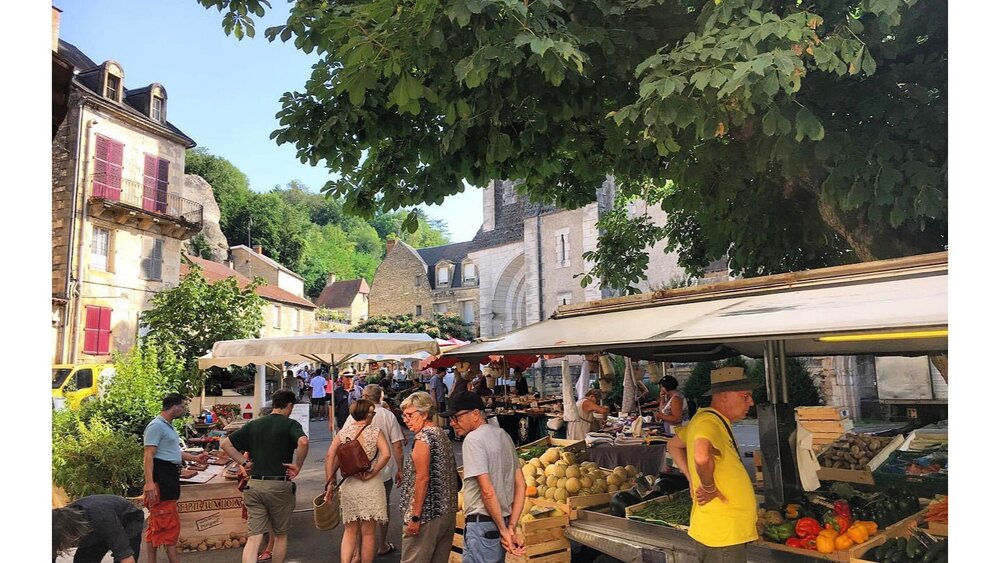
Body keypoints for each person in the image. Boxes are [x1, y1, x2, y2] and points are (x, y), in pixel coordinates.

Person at [667, 367, 759, 563]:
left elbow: (673, 445)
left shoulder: (711, 420)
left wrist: (692, 479)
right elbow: (701, 456)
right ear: (724, 396)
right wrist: (707, 487)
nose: (751, 402)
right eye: (745, 396)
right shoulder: (709, 422)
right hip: (722, 534)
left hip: (721, 532)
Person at [220, 389, 309, 563]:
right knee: (280, 535)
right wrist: (298, 465)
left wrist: (244, 463)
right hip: (278, 485)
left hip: (254, 485)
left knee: (254, 538)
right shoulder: (290, 424)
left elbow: (225, 444)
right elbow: (303, 442)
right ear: (289, 405)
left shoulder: (254, 424)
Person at [441, 391, 526, 562]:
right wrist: (510, 526)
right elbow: (521, 485)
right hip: (501, 520)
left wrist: (504, 530)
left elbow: (487, 491)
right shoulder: (503, 435)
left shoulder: (473, 440)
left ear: (474, 414)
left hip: (482, 526)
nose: (452, 423)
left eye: (456, 417)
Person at [142, 393, 209, 563]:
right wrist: (150, 483)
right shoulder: (156, 426)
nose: (185, 409)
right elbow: (148, 455)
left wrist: (195, 458)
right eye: (183, 406)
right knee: (166, 523)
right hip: (162, 477)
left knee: (159, 523)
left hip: (169, 475)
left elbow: (172, 453)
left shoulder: (167, 426)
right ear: (174, 406)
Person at [341, 385, 405, 558]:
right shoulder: (388, 415)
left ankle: (356, 552)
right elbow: (397, 445)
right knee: (380, 509)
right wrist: (400, 468)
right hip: (382, 473)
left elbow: (343, 441)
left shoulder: (353, 416)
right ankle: (382, 543)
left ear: (367, 396)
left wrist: (331, 478)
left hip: (355, 472)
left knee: (356, 515)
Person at [325, 399, 392, 563]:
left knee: (349, 530)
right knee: (369, 532)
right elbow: (386, 454)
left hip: (350, 483)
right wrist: (373, 471)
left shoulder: (342, 433)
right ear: (368, 414)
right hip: (371, 484)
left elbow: (330, 456)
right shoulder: (375, 432)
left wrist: (330, 480)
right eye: (372, 413)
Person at [398, 391, 459, 563]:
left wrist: (415, 516)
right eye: (404, 415)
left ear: (424, 414)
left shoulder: (423, 439)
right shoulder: (440, 434)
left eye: (410, 415)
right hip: (446, 512)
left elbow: (423, 479)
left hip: (427, 515)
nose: (405, 419)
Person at [52, 494, 145, 563]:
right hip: (93, 526)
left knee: (122, 557)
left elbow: (127, 559)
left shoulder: (102, 518)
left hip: (128, 520)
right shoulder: (55, 525)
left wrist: (125, 555)